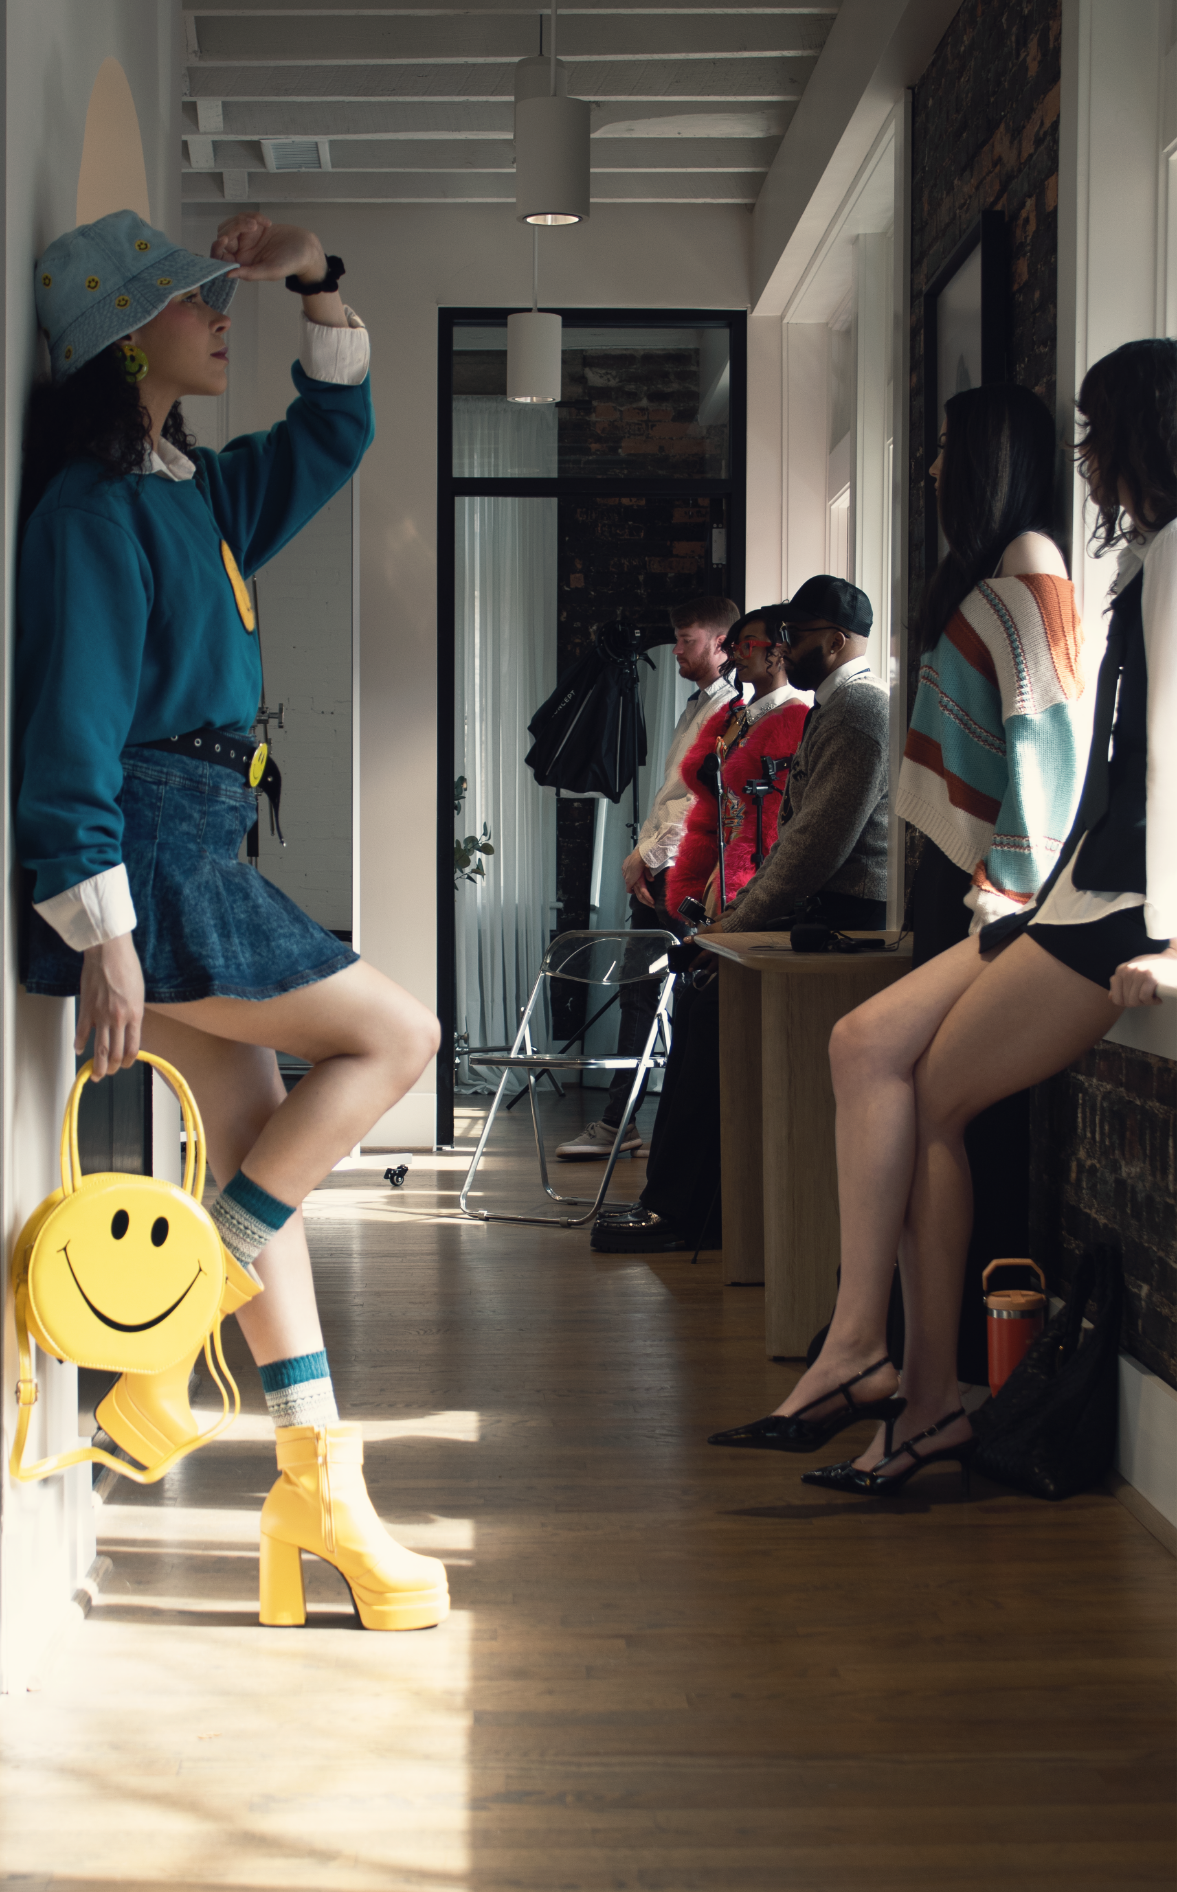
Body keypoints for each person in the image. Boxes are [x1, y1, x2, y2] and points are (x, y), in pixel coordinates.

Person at [16, 208, 448, 1631]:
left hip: (197, 846)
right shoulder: (93, 509)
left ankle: (322, 1496)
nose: (221, 310)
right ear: (122, 337)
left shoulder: (187, 489)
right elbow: (66, 736)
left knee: (270, 1177)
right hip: (154, 860)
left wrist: (320, 277)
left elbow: (331, 437)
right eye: (190, 297)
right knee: (403, 1038)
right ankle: (167, 1346)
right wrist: (108, 930)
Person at [714, 338, 1177, 1496]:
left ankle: (899, 1383)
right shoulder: (1132, 563)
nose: (1083, 455)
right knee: (872, 1052)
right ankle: (880, 1369)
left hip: (1083, 898)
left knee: (918, 1090)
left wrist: (1166, 931)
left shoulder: (1083, 565)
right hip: (1068, 890)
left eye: (1095, 429)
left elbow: (1122, 755)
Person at [593, 577, 888, 1254]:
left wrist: (738, 924)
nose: (784, 649)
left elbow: (816, 843)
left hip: (843, 918)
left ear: (836, 641)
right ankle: (687, 1207)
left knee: (709, 1002)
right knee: (701, 998)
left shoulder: (858, 709)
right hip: (815, 910)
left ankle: (683, 1212)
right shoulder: (833, 707)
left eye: (797, 636)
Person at [897, 384, 1086, 1384]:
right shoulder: (996, 569)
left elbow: (1044, 753)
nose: (931, 469)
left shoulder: (1034, 565)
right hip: (955, 880)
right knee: (936, 1106)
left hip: (987, 891)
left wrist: (1002, 894)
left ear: (986, 458)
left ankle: (975, 1358)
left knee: (960, 1108)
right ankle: (928, 1352)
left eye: (942, 449)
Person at [555, 593, 740, 1161]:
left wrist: (649, 858)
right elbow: (671, 797)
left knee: (671, 997)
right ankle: (621, 1123)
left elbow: (698, 803)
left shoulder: (729, 711)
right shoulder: (695, 706)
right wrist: (642, 854)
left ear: (719, 643)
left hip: (682, 873)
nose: (677, 649)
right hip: (662, 868)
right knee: (641, 996)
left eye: (688, 640)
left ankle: (645, 1128)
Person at [664, 608, 808, 922]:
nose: (737, 656)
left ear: (779, 650)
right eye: (734, 648)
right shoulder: (734, 717)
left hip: (755, 871)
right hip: (716, 857)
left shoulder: (796, 719)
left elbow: (775, 822)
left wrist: (739, 877)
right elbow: (708, 803)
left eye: (747, 646)